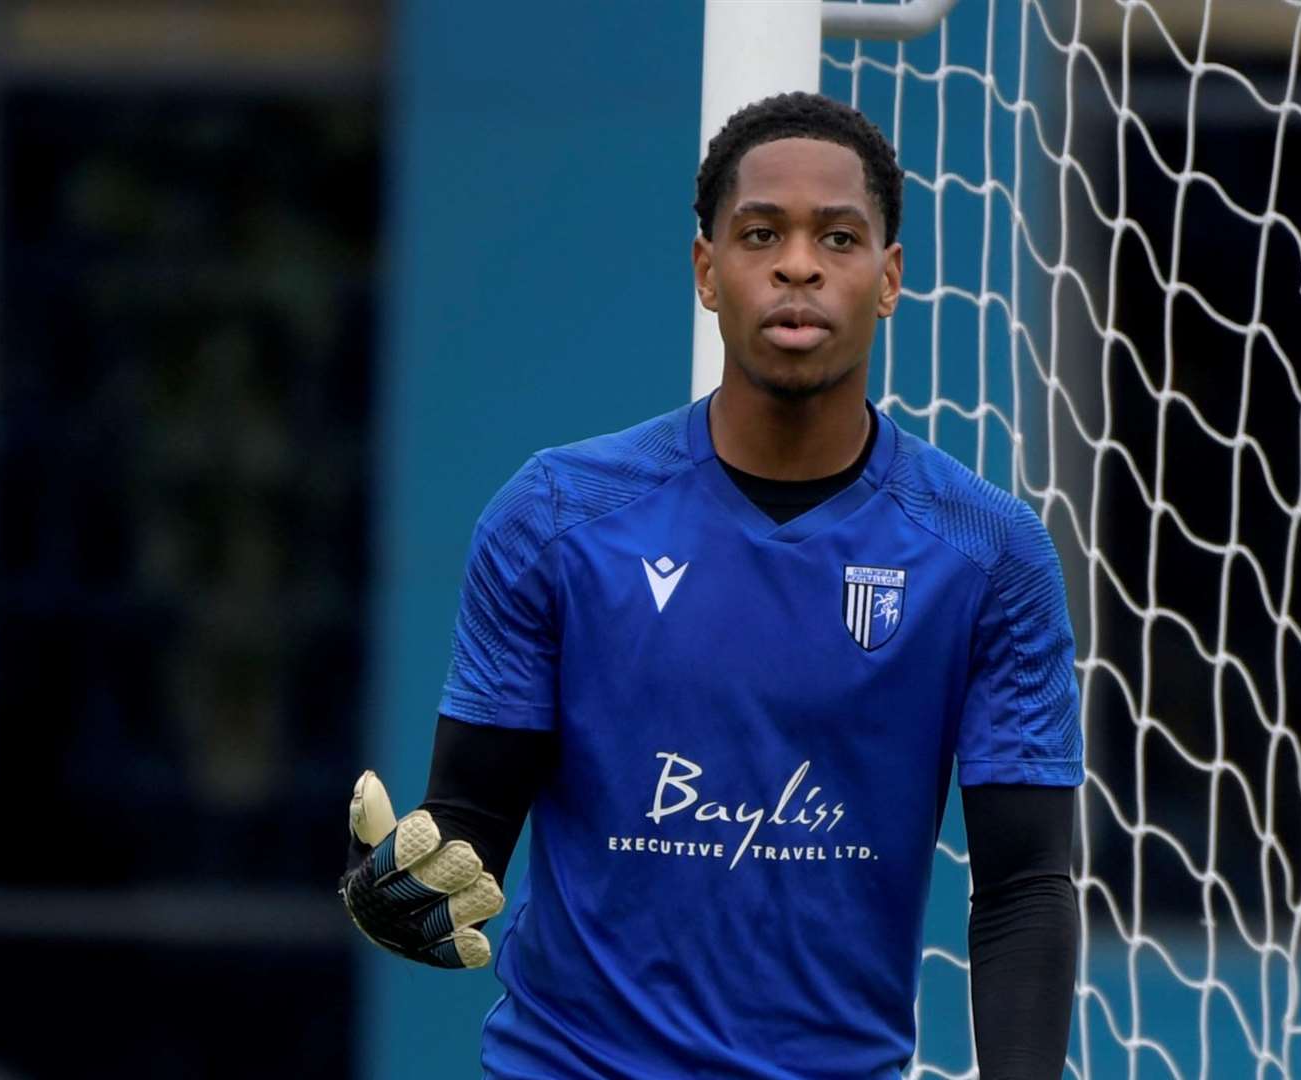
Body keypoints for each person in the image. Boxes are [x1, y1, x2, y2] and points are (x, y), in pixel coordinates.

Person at [339, 91, 1083, 1080]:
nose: (799, 264)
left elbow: (1027, 880)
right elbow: (467, 831)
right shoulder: (554, 517)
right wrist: (395, 895)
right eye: (762, 232)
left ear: (891, 277)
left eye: (840, 236)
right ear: (706, 270)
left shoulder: (990, 555)